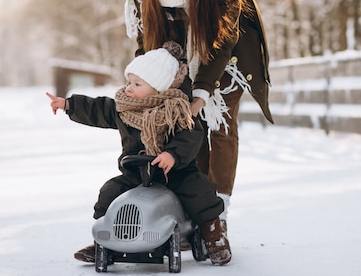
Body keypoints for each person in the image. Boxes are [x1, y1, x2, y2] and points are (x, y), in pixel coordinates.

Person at [124, 0, 273, 235]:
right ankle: (193, 209)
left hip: (229, 56)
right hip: (180, 54)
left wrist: (201, 94)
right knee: (187, 128)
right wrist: (146, 80)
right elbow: (147, 37)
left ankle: (215, 217)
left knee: (218, 127)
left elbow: (223, 41)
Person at [46, 41, 231, 266]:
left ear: (158, 88)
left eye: (137, 83)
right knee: (110, 191)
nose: (128, 88)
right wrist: (68, 105)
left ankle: (213, 236)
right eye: (128, 82)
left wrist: (172, 155)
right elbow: (98, 109)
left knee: (200, 192)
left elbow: (191, 135)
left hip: (175, 172)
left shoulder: (176, 111)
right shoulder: (125, 109)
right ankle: (104, 241)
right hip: (136, 172)